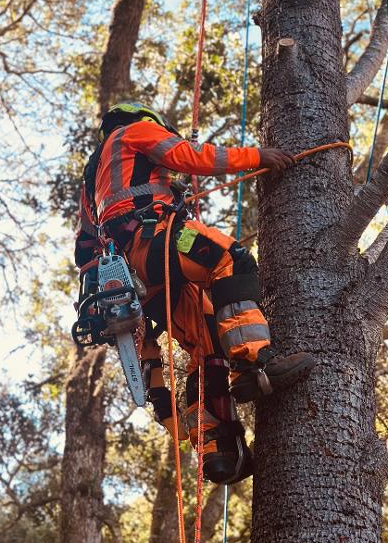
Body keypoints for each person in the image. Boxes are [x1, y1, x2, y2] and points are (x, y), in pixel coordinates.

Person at [74, 101, 315, 485]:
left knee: (206, 343)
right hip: (157, 237)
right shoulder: (133, 132)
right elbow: (188, 154)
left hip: (138, 278)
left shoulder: (93, 183)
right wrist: (257, 156)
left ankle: (218, 451)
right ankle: (252, 362)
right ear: (146, 119)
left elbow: (84, 251)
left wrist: (100, 293)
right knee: (230, 260)